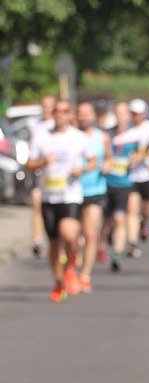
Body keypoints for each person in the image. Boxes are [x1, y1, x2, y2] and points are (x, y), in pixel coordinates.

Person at [26, 100, 97, 302]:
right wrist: (42, 162)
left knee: (69, 233)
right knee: (54, 244)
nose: (60, 114)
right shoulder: (42, 136)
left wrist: (80, 170)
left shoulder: (79, 138)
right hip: (49, 196)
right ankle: (58, 281)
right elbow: (29, 163)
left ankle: (72, 262)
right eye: (56, 111)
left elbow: (93, 161)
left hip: (71, 195)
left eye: (65, 111)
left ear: (70, 114)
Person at [76, 101, 112, 292]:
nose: (84, 117)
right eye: (80, 113)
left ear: (93, 116)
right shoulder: (71, 136)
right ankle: (73, 264)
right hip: (72, 191)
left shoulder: (102, 137)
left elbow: (109, 157)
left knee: (91, 234)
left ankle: (85, 275)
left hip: (95, 190)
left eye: (87, 113)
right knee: (74, 235)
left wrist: (107, 164)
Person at [104, 101, 141, 272]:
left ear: (128, 115)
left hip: (124, 183)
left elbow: (143, 153)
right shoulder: (107, 134)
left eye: (123, 113)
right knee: (106, 221)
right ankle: (103, 245)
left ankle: (117, 254)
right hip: (105, 182)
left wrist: (137, 158)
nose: (120, 116)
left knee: (120, 218)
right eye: (117, 112)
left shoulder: (135, 135)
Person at [127, 98, 149, 256]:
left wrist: (143, 156)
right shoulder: (126, 129)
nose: (136, 116)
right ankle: (132, 242)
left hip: (147, 175)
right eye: (133, 113)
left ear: (144, 113)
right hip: (131, 176)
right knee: (132, 209)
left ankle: (144, 223)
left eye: (138, 113)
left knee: (146, 210)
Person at [28, 94, 56, 258]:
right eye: (43, 106)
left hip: (55, 174)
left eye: (49, 106)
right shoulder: (33, 123)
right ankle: (37, 239)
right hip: (39, 170)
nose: (46, 110)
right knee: (37, 205)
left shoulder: (57, 124)